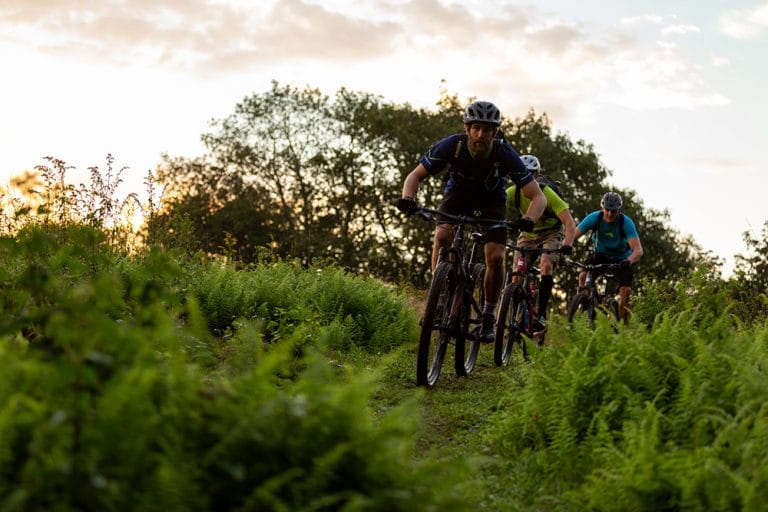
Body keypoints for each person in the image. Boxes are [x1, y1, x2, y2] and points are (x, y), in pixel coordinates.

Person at [396, 100, 546, 341]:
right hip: (458, 195)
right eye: (476, 128)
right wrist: (408, 198)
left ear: (495, 132)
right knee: (442, 236)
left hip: (491, 201)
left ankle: (488, 316)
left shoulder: (503, 153)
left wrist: (529, 218)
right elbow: (415, 176)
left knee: (495, 257)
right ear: (467, 128)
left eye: (487, 130)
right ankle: (440, 297)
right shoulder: (452, 145)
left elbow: (537, 196)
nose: (480, 134)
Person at [506, 155, 576, 334]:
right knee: (516, 277)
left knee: (546, 264)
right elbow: (495, 205)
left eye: (532, 174)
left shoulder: (547, 193)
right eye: (523, 173)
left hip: (551, 234)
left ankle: (542, 314)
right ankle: (512, 318)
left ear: (538, 175)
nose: (528, 178)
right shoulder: (512, 193)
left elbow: (569, 222)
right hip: (528, 235)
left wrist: (567, 243)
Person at [572, 191, 644, 324]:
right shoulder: (594, 218)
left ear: (619, 210)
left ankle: (622, 326)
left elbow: (638, 250)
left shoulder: (625, 223)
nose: (610, 214)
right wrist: (565, 246)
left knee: (626, 291)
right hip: (599, 254)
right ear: (602, 208)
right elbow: (573, 236)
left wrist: (629, 260)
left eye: (614, 211)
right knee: (582, 275)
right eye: (607, 210)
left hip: (622, 258)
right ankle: (585, 305)